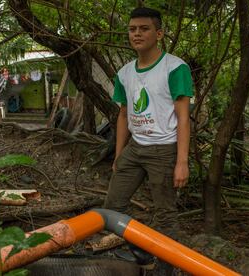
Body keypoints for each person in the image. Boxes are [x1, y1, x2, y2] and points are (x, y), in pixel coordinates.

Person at [103, 6, 193, 273]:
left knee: (165, 214)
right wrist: (119, 154)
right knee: (113, 207)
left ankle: (167, 266)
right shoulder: (125, 73)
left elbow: (184, 118)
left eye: (144, 29)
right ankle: (141, 250)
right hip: (135, 148)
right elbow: (122, 115)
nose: (137, 34)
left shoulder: (175, 68)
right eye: (132, 29)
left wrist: (182, 161)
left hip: (164, 149)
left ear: (159, 33)